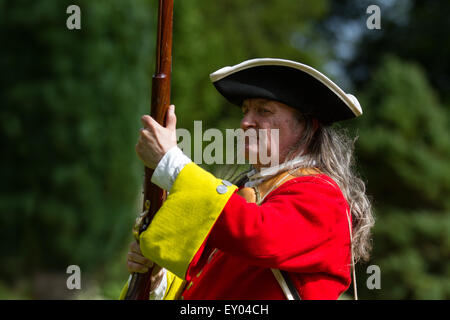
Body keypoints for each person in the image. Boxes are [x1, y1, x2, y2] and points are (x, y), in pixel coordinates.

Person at [120, 58, 374, 300]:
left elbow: (259, 236)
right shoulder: (243, 196)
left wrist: (173, 164)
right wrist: (156, 279)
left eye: (263, 110)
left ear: (308, 126)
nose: (245, 122)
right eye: (245, 111)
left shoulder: (324, 196)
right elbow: (204, 285)